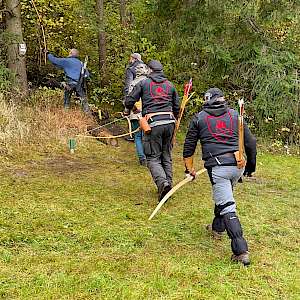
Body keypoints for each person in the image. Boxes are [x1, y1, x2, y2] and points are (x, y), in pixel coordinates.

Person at [183, 88, 256, 266]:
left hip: (219, 168)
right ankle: (217, 228)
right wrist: (250, 168)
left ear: (207, 100)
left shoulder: (199, 118)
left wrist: (189, 168)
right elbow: (251, 143)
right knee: (223, 195)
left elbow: (189, 146)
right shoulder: (234, 115)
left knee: (227, 205)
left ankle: (241, 251)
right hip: (237, 167)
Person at [125, 60, 180, 201]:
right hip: (169, 123)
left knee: (153, 157)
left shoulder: (144, 83)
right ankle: (168, 186)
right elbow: (177, 107)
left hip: (153, 124)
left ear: (150, 70)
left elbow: (129, 100)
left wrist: (131, 109)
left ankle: (163, 184)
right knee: (166, 155)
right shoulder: (170, 85)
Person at [124, 63, 149, 166]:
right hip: (147, 113)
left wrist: (128, 110)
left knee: (138, 136)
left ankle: (143, 158)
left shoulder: (133, 83)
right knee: (146, 135)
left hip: (136, 113)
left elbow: (129, 99)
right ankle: (147, 157)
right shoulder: (149, 83)